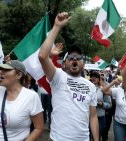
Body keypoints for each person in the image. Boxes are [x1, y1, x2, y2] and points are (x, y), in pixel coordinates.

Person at [39, 12, 99, 141]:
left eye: (78, 58)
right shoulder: (58, 77)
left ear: (83, 64)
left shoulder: (91, 86)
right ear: (64, 64)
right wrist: (57, 26)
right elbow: (42, 56)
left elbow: (93, 116)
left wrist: (96, 138)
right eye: (71, 58)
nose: (75, 60)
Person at [90, 72, 112, 140]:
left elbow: (109, 104)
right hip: (88, 116)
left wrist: (102, 104)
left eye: (95, 77)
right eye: (92, 77)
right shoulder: (87, 88)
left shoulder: (103, 89)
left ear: (99, 79)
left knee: (96, 137)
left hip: (100, 117)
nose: (93, 78)